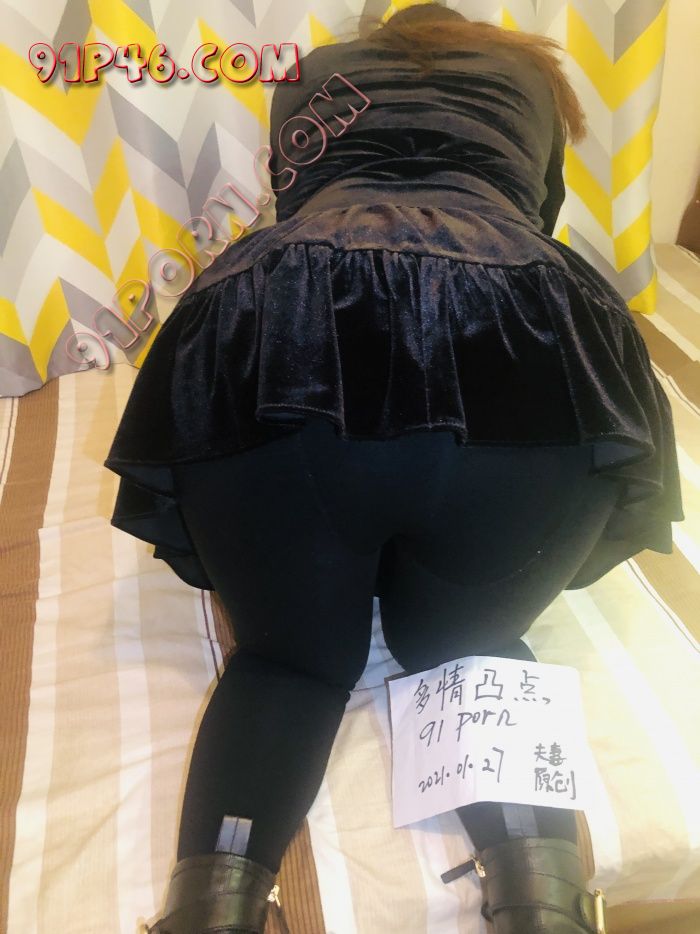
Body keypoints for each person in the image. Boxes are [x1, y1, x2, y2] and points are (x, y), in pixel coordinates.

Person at [103, 3, 684, 932]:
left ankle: (209, 913)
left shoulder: (310, 75)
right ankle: (548, 909)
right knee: (464, 648)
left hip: (292, 336)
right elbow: (536, 216)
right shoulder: (530, 77)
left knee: (288, 666)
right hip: (522, 362)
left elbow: (299, 204)